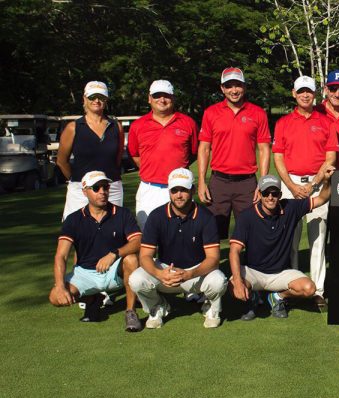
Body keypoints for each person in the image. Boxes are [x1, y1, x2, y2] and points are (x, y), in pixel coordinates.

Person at [129, 168, 227, 329]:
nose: (179, 195)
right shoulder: (156, 216)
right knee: (136, 279)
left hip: (195, 272)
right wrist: (159, 273)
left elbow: (213, 258)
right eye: (174, 190)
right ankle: (157, 307)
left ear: (193, 190)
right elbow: (145, 256)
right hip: (166, 271)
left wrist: (190, 274)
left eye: (184, 190)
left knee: (218, 280)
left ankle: (212, 309)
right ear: (169, 192)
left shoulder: (206, 217)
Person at [229, 169, 334, 319]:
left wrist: (327, 181)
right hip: (254, 272)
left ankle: (277, 297)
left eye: (274, 193)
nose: (270, 197)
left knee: (309, 288)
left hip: (280, 273)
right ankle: (252, 299)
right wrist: (238, 282)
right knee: (231, 285)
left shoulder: (290, 207)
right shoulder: (247, 216)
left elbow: (322, 199)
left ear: (280, 194)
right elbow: (234, 251)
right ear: (259, 194)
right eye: (266, 193)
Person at [272, 76, 337, 308]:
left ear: (315, 94)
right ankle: (292, 286)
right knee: (290, 238)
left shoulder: (326, 122)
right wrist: (290, 186)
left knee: (318, 239)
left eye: (309, 91)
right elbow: (278, 157)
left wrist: (313, 183)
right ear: (294, 94)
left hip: (317, 185)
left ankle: (317, 289)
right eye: (301, 92)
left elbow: (330, 157)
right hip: (291, 186)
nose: (305, 95)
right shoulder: (283, 123)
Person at [49, 171, 142, 331]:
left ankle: (130, 312)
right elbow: (61, 255)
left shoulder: (122, 214)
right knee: (55, 298)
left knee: (131, 259)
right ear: (85, 191)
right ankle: (93, 298)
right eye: (96, 188)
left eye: (105, 187)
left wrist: (114, 254)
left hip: (114, 271)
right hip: (85, 273)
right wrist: (60, 286)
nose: (102, 192)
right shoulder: (73, 219)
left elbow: (138, 241)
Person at [197, 67, 272, 239]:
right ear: (222, 88)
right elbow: (204, 148)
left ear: (244, 87)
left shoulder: (258, 113)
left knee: (250, 233)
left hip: (247, 183)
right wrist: (201, 182)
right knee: (213, 233)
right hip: (219, 182)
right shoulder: (211, 113)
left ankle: (248, 266)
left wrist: (263, 182)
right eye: (229, 86)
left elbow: (264, 149)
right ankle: (214, 267)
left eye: (237, 85)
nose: (234, 90)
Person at [128, 80, 198, 229]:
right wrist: (152, 169)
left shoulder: (188, 123)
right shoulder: (138, 125)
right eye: (157, 96)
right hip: (149, 188)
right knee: (148, 234)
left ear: (173, 98)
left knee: (181, 233)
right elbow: (135, 154)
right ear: (149, 98)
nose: (162, 100)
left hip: (180, 188)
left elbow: (192, 153)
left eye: (166, 95)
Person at [57, 81, 124, 220]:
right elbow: (62, 161)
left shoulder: (116, 127)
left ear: (106, 100)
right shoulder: (73, 127)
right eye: (92, 97)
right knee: (77, 233)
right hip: (80, 191)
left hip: (111, 189)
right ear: (84, 99)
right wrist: (77, 179)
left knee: (113, 233)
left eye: (101, 97)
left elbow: (117, 159)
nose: (97, 101)